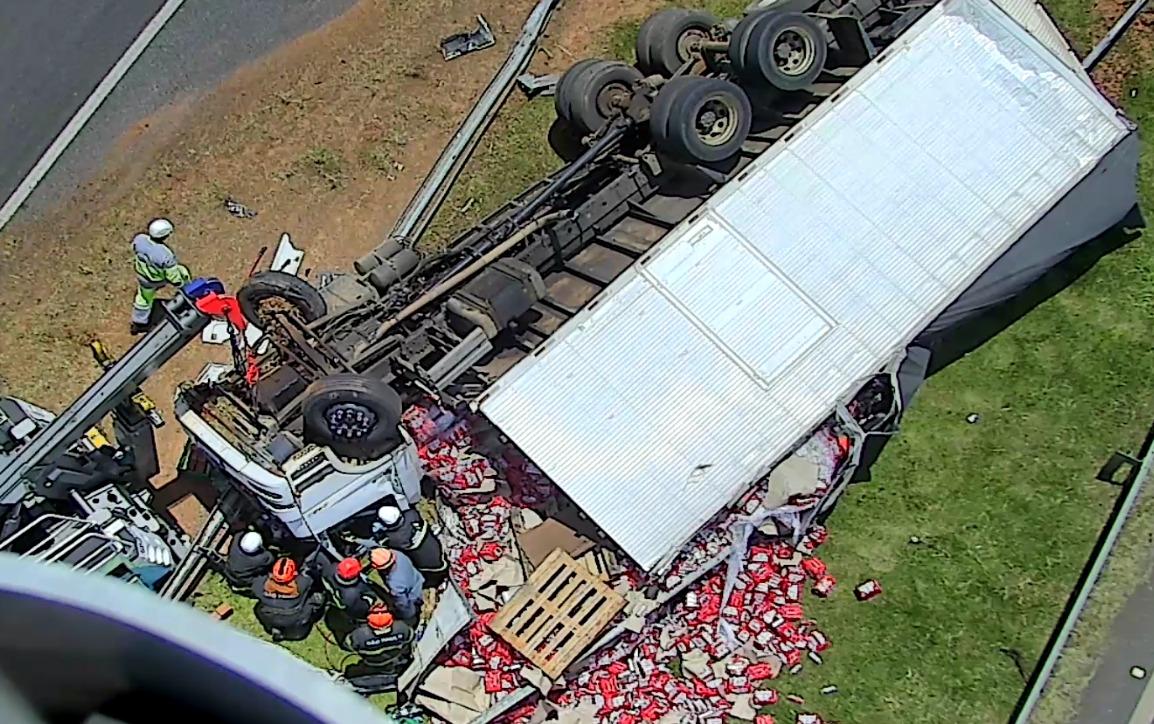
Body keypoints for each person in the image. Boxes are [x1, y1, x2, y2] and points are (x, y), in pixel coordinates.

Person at [131, 218, 191, 334]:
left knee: (143, 298)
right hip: (157, 279)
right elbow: (172, 275)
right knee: (183, 272)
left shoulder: (140, 239)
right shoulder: (165, 254)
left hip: (143, 277)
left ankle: (139, 322)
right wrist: (179, 282)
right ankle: (190, 296)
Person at [252, 557, 325, 642]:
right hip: (298, 628)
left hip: (271, 616)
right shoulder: (302, 584)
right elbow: (310, 575)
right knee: (318, 598)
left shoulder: (260, 585)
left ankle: (277, 629)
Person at [373, 505, 448, 585]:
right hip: (438, 551)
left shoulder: (393, 539)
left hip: (428, 568)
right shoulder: (412, 514)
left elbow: (382, 543)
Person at [345, 603, 414, 677]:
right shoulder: (402, 628)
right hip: (394, 659)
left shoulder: (359, 635)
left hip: (370, 663)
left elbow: (347, 645)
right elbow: (410, 638)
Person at [368, 547, 424, 626]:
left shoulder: (395, 583)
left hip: (413, 596)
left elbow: (403, 604)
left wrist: (403, 613)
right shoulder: (398, 554)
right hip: (417, 579)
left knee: (408, 614)